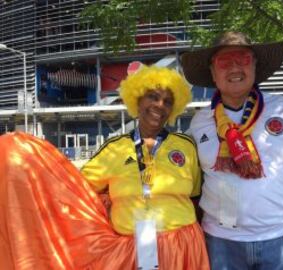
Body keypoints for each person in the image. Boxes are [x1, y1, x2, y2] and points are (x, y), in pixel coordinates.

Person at [0, 66, 209, 270]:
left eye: (168, 101)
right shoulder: (113, 149)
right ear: (137, 100)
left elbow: (195, 198)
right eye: (153, 97)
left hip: (184, 246)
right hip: (132, 251)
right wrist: (25, 162)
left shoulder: (186, 146)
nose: (159, 105)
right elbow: (73, 190)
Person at [180, 31, 283, 270]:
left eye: (242, 59)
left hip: (280, 241)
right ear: (213, 73)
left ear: (255, 66)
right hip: (220, 244)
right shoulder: (199, 122)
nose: (234, 68)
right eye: (224, 62)